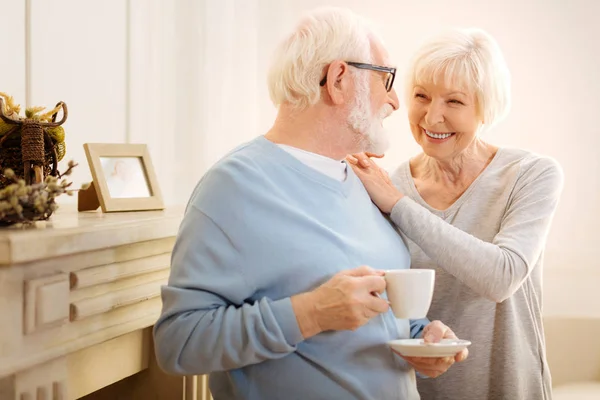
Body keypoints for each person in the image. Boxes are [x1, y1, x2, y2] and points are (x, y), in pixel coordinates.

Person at [153, 7, 466, 400]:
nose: (394, 101)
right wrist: (312, 312)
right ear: (338, 80)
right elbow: (179, 343)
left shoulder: (364, 182)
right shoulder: (232, 187)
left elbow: (377, 319)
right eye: (386, 79)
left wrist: (423, 339)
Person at [347, 27, 564, 400]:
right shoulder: (387, 184)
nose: (432, 117)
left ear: (486, 108)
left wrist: (399, 205)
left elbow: (502, 277)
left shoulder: (532, 174)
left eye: (455, 102)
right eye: (422, 96)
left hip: (509, 388)